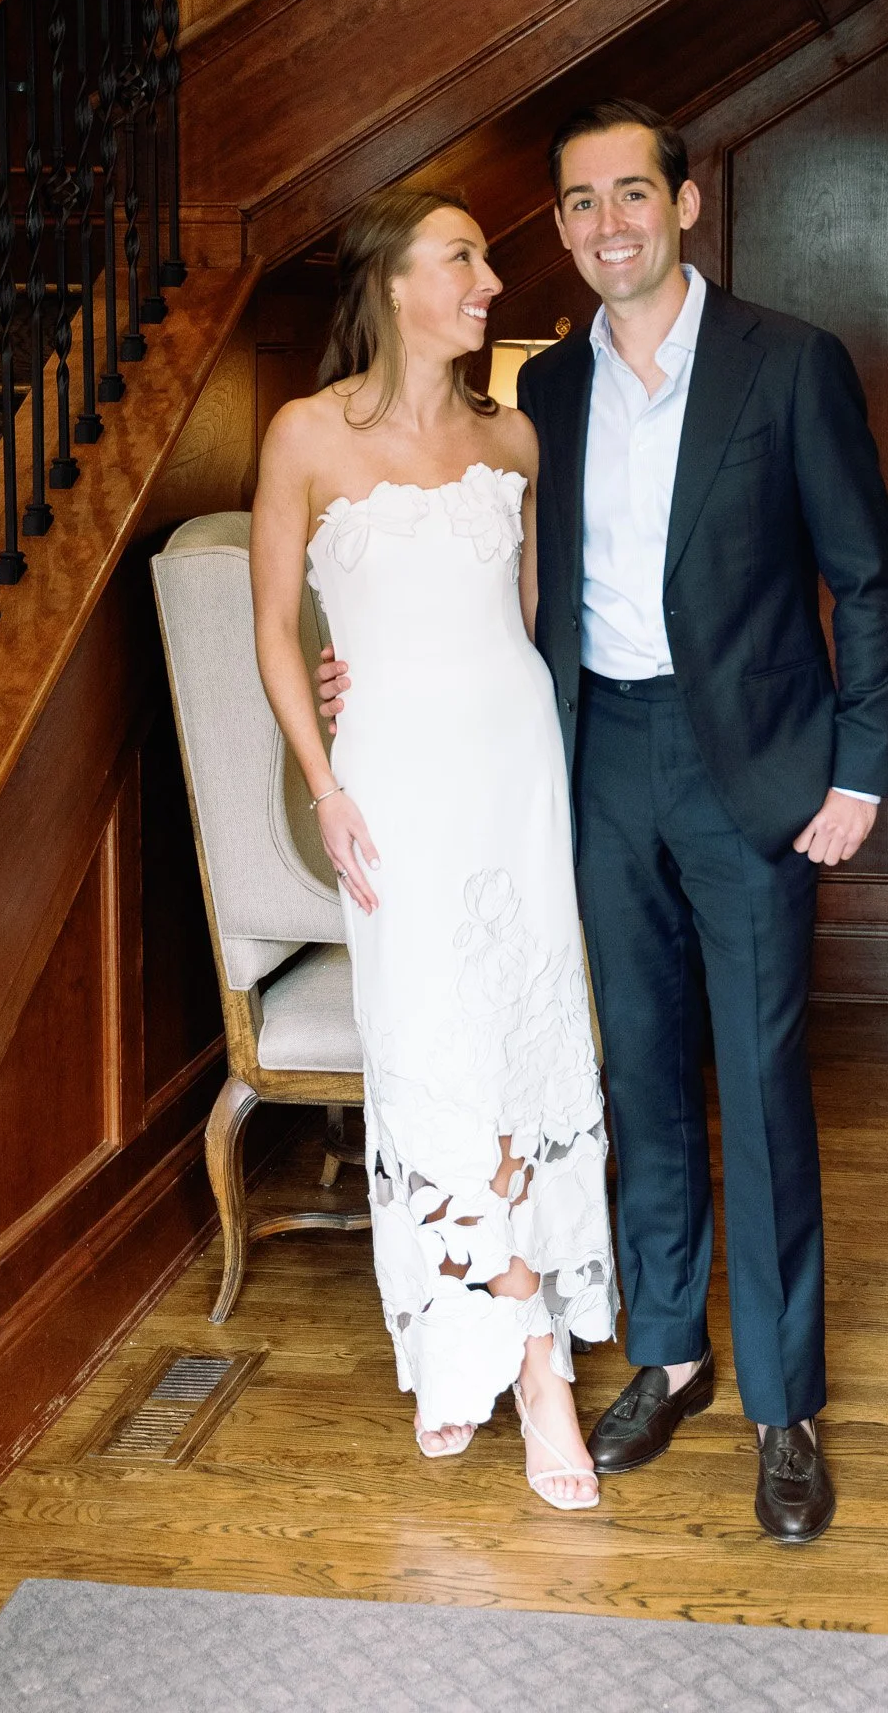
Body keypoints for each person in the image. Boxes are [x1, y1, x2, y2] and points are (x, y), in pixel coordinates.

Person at [325, 101, 888, 1543]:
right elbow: (490, 584)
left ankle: (783, 1404)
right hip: (594, 766)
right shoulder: (549, 397)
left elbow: (872, 581)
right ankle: (669, 1357)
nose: (605, 226)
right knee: (637, 1072)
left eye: (629, 194)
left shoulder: (790, 366)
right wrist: (368, 656)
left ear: (687, 204)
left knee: (759, 1089)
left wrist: (858, 771)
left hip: (756, 775)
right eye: (579, 206)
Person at [250, 185, 617, 1512]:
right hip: (391, 784)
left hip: (515, 771)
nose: (488, 282)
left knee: (522, 1041)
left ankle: (522, 1363)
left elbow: (525, 622)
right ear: (394, 284)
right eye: (461, 257)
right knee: (433, 1049)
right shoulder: (302, 434)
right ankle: (494, 1344)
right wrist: (325, 781)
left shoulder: (514, 438)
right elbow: (277, 632)